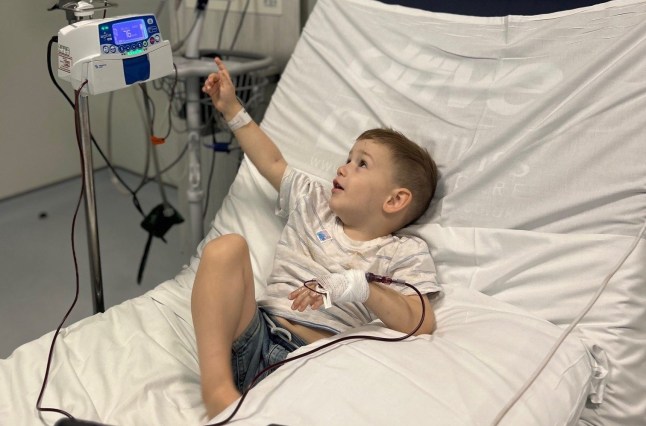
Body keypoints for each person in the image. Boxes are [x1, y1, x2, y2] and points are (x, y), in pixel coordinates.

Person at [192, 57, 442, 419]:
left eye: (362, 164)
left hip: (317, 365)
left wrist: (357, 287)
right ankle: (218, 390)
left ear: (394, 200)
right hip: (255, 336)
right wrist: (232, 109)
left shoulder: (403, 251)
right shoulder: (314, 201)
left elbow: (421, 321)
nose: (343, 167)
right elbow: (272, 162)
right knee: (226, 248)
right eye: (348, 158)